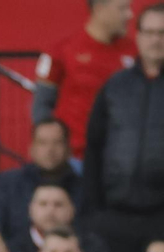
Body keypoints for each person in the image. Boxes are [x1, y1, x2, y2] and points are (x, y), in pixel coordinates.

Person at [81, 4, 164, 252]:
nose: (156, 40)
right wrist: (93, 211)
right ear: (138, 37)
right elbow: (93, 148)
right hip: (115, 217)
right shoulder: (115, 87)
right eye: (149, 32)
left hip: (160, 219)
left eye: (162, 33)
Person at [35, 0, 136, 160]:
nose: (130, 14)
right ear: (99, 9)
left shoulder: (134, 51)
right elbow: (41, 104)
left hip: (121, 156)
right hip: (74, 158)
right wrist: (52, 150)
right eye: (122, 8)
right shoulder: (62, 50)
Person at [0, 119, 82, 244]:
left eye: (57, 142)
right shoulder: (8, 184)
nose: (50, 150)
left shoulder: (84, 187)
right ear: (31, 148)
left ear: (68, 149)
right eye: (42, 143)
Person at [10, 183, 119, 252]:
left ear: (72, 210)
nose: (50, 211)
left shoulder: (91, 245)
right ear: (30, 209)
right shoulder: (12, 246)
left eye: (58, 204)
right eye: (43, 204)